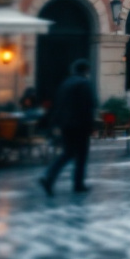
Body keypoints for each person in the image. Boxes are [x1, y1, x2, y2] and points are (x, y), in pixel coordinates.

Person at [39, 59, 97, 196]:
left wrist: (54, 124)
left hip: (66, 125)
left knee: (68, 152)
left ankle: (49, 177)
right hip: (80, 125)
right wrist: (91, 126)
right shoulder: (84, 83)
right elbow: (88, 106)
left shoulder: (65, 83)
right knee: (81, 155)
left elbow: (58, 105)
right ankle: (77, 184)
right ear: (86, 70)